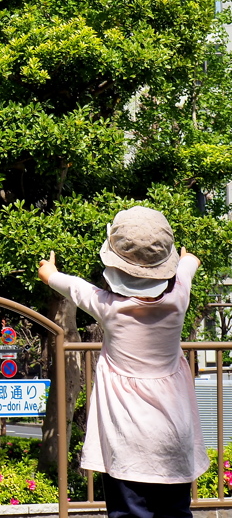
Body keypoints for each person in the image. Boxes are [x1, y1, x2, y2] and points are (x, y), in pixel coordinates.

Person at [37, 205, 208, 518]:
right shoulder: (178, 298)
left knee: (128, 513)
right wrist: (185, 257)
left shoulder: (109, 307)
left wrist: (49, 273)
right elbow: (188, 265)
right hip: (173, 434)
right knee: (175, 511)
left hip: (126, 436)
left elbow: (73, 286)